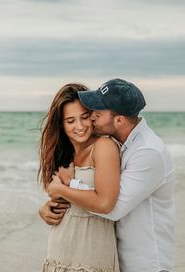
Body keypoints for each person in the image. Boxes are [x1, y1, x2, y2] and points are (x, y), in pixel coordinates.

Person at [39, 79, 175, 272]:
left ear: (118, 120)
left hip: (146, 263)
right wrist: (47, 208)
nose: (93, 117)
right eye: (70, 120)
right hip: (112, 254)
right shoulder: (124, 145)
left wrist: (67, 187)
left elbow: (108, 206)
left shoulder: (148, 152)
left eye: (96, 113)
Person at [38, 83, 121, 271]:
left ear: (93, 115)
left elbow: (105, 203)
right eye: (70, 121)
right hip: (59, 249)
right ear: (61, 123)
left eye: (84, 117)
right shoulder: (62, 154)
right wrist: (44, 210)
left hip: (92, 252)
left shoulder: (103, 146)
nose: (80, 126)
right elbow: (62, 200)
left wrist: (61, 189)